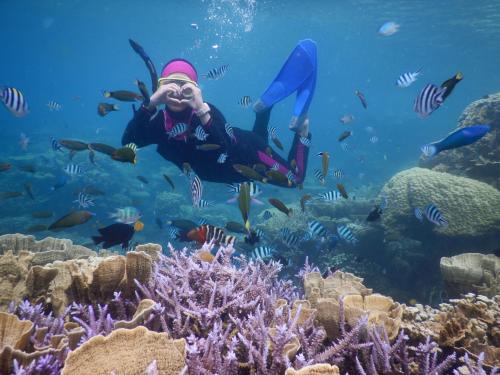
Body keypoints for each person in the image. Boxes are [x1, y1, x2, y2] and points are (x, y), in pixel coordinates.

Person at [122, 39, 317, 187]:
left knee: (295, 179)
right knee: (260, 139)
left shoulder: (207, 111)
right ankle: (262, 110)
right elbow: (128, 143)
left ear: (196, 89)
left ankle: (302, 129)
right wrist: (150, 104)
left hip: (249, 156)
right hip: (230, 165)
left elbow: (223, 147)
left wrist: (201, 109)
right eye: (170, 86)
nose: (178, 92)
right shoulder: (159, 123)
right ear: (160, 88)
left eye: (186, 86)